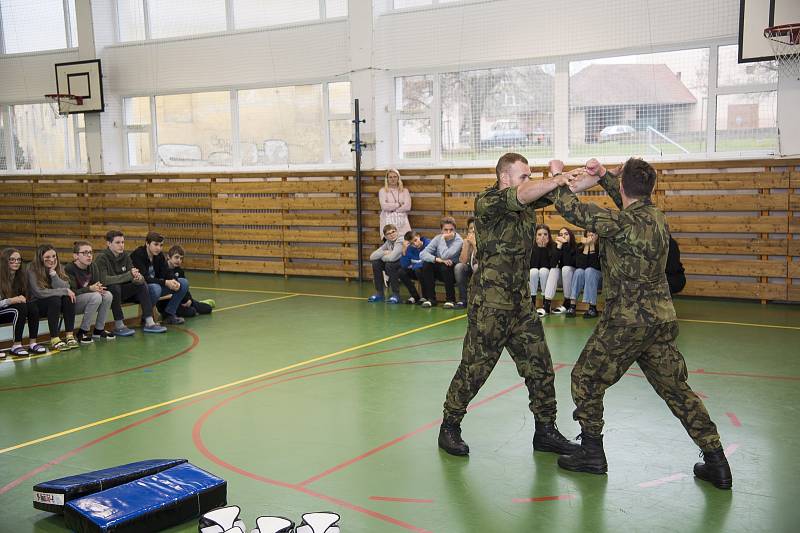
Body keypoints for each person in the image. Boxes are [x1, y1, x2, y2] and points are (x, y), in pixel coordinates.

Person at [549, 157, 731, 490]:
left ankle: (591, 453)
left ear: (624, 186)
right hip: (659, 321)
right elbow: (629, 204)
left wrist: (556, 177)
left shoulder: (620, 224)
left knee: (585, 379)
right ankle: (717, 461)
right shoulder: (656, 218)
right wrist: (605, 176)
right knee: (677, 391)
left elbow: (574, 211)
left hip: (626, 323)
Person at [437, 152, 579, 458]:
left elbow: (561, 190)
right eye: (523, 175)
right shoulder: (488, 201)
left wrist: (592, 174)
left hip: (519, 304)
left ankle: (546, 430)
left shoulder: (526, 201)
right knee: (475, 368)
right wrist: (553, 177)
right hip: (490, 304)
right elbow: (528, 191)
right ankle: (449, 426)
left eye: (529, 175)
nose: (528, 180)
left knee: (540, 367)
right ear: (505, 178)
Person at [95, 230, 166, 335]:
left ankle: (149, 322)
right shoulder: (102, 258)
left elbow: (133, 273)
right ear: (109, 243)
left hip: (123, 292)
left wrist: (138, 278)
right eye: (118, 242)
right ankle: (119, 325)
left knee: (141, 284)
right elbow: (104, 280)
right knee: (114, 287)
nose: (121, 245)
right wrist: (128, 276)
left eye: (123, 242)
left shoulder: (125, 256)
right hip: (109, 294)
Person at [27, 244, 78, 351]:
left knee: (68, 298)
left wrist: (53, 275)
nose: (52, 259)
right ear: (40, 258)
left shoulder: (58, 267)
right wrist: (63, 291)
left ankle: (69, 336)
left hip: (55, 304)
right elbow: (39, 293)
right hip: (36, 304)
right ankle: (54, 338)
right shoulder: (31, 268)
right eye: (47, 257)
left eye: (54, 256)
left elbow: (67, 287)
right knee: (54, 299)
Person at [131, 231, 189, 325]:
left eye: (161, 245)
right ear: (147, 243)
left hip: (155, 287)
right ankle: (146, 318)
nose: (158, 248)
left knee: (183, 283)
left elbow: (167, 272)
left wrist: (174, 280)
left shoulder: (159, 255)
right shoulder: (137, 255)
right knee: (155, 288)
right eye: (156, 244)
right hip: (140, 290)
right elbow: (144, 278)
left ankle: (169, 314)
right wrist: (165, 282)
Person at [65, 241, 115, 343]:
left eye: (90, 252)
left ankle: (98, 330)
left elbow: (96, 284)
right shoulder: (69, 268)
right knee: (96, 296)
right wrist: (90, 289)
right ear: (76, 256)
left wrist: (98, 288)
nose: (89, 255)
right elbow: (73, 291)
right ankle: (82, 331)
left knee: (108, 295)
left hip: (89, 298)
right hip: (73, 302)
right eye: (85, 253)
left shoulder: (93, 266)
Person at [0, 248, 46, 356]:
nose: (16, 262)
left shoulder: (20, 276)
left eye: (18, 260)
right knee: (19, 308)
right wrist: (11, 300)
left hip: (11, 309)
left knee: (32, 307)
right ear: (5, 261)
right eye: (12, 260)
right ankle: (16, 345)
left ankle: (33, 343)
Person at [157, 246, 214, 317]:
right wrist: (175, 296)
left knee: (208, 309)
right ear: (168, 256)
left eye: (181, 258)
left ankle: (199, 303)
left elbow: (185, 288)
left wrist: (189, 299)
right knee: (191, 312)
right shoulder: (162, 269)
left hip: (181, 300)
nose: (179, 260)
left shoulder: (179, 271)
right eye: (176, 257)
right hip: (166, 303)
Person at [419, 217, 463, 309]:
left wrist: (443, 238)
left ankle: (450, 299)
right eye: (445, 230)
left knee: (445, 267)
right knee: (427, 265)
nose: (448, 232)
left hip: (453, 270)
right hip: (441, 266)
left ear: (455, 230)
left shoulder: (458, 240)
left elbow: (445, 255)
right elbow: (422, 254)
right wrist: (437, 259)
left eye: (451, 230)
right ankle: (431, 299)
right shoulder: (437, 238)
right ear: (441, 230)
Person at [566, 231, 602, 318]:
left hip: (599, 278)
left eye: (594, 233)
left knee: (589, 270)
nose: (591, 235)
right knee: (579, 271)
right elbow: (580, 266)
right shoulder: (580, 246)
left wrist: (592, 246)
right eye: (589, 232)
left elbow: (596, 266)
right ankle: (572, 306)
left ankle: (592, 307)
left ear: (598, 235)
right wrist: (586, 246)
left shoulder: (601, 247)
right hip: (585, 276)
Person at [367, 224, 404, 304]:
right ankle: (380, 293)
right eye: (388, 234)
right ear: (386, 237)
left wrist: (383, 256)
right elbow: (372, 256)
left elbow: (392, 258)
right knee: (376, 263)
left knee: (389, 264)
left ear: (397, 232)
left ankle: (396, 295)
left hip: (405, 263)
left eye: (393, 232)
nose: (391, 235)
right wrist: (385, 252)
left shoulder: (400, 240)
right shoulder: (388, 242)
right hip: (394, 262)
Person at [529, 224, 558, 316]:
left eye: (545, 234)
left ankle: (546, 303)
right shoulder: (531, 247)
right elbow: (533, 265)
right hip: (534, 271)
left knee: (544, 271)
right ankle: (532, 302)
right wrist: (539, 248)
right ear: (535, 236)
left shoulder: (553, 246)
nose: (542, 237)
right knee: (533, 271)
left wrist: (544, 248)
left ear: (549, 236)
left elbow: (551, 265)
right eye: (539, 234)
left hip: (548, 273)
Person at [548, 227, 577, 314]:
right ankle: (546, 303)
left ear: (571, 236)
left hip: (572, 276)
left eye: (566, 234)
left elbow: (568, 263)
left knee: (566, 268)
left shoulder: (576, 247)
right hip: (562, 278)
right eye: (561, 234)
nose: (563, 236)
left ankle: (567, 301)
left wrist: (565, 245)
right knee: (553, 270)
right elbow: (553, 264)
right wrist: (558, 248)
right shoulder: (556, 246)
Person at [398, 230, 429, 304]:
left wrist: (414, 266)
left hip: (428, 271)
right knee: (401, 272)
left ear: (418, 236)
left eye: (415, 240)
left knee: (419, 269)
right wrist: (404, 250)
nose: (415, 244)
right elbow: (404, 265)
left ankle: (425, 296)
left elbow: (426, 261)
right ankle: (415, 296)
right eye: (412, 243)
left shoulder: (428, 243)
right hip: (416, 271)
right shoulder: (410, 248)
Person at [378, 168, 412, 237]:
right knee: (390, 244)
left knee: (405, 244)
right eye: (390, 177)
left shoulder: (405, 191)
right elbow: (384, 206)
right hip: (387, 223)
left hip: (402, 223)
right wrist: (398, 204)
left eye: (395, 176)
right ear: (387, 179)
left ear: (398, 178)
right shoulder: (383, 191)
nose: (392, 179)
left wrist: (393, 209)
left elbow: (407, 206)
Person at [454, 217, 478, 309]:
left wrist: (475, 244)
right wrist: (467, 245)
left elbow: (482, 259)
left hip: (482, 267)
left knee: (477, 267)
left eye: (475, 228)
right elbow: (463, 261)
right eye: (470, 228)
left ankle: (476, 300)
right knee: (459, 267)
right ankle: (463, 299)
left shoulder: (485, 240)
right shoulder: (466, 241)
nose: (472, 230)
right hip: (470, 267)